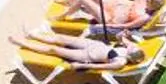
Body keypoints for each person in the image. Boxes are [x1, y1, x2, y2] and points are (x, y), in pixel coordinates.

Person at [12, 31, 142, 70]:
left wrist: (79, 65)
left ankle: (22, 43)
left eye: (133, 48)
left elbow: (101, 66)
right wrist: (123, 35)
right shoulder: (128, 48)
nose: (132, 46)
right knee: (62, 37)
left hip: (86, 56)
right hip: (93, 44)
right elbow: (121, 37)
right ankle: (33, 35)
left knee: (54, 50)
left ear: (131, 56)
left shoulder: (120, 62)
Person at [56, 0, 160, 32]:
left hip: (110, 18)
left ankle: (62, 16)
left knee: (83, 0)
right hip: (112, 6)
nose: (147, 0)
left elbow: (126, 26)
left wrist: (106, 26)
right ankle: (68, 2)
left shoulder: (144, 17)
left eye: (149, 1)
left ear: (153, 6)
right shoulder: (144, 0)